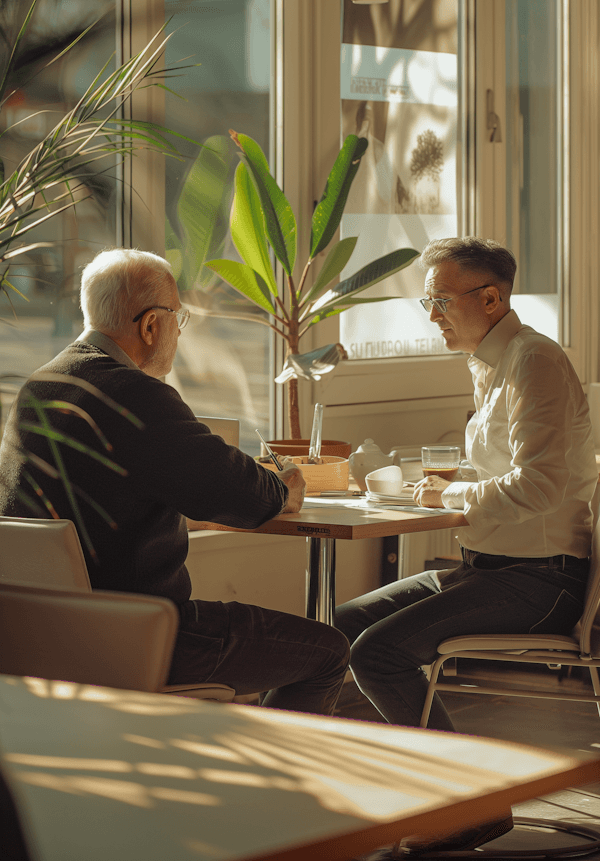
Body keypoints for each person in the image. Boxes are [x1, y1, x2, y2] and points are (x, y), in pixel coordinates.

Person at [0, 248, 349, 714]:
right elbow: (242, 496)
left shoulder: (39, 387)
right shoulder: (135, 395)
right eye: (177, 317)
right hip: (141, 631)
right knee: (328, 651)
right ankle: (281, 782)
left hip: (43, 636)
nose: (179, 332)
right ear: (150, 325)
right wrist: (286, 487)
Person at [335, 236, 598, 852]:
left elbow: (541, 485)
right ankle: (389, 786)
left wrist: (449, 498)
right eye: (427, 302)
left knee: (379, 653)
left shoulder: (535, 361)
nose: (431, 316)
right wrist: (454, 482)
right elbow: (515, 470)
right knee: (344, 623)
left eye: (439, 301)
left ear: (490, 296)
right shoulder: (492, 362)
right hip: (488, 568)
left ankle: (471, 804)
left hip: (542, 579)